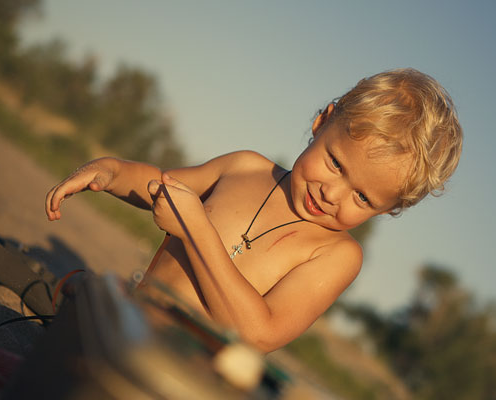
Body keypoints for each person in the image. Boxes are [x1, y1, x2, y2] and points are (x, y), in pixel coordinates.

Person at [44, 68, 462, 352]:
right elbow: (162, 186)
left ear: (389, 209)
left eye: (363, 198)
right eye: (336, 163)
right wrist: (112, 172)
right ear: (323, 122)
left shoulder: (336, 255)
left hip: (184, 376)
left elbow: (259, 333)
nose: (332, 193)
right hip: (125, 331)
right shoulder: (244, 167)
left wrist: (195, 230)